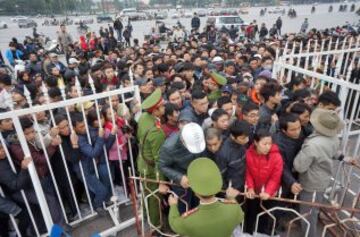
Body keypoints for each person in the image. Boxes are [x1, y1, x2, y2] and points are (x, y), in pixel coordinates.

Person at [294, 108, 344, 237]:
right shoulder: (333, 138)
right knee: (313, 210)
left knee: (309, 214)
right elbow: (334, 153)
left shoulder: (313, 144)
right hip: (322, 179)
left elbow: (299, 166)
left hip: (311, 182)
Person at [168, 158, 244, 237]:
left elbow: (174, 224)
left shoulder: (188, 220)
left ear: (195, 191)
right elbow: (240, 216)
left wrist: (173, 206)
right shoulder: (234, 209)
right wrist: (231, 198)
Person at [136, 88, 167, 230]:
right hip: (151, 169)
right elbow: (159, 159)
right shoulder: (157, 132)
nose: (165, 106)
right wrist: (161, 181)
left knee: (145, 193)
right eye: (162, 106)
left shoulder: (143, 117)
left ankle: (145, 214)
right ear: (155, 110)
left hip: (142, 163)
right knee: (154, 199)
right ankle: (156, 227)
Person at [159, 122, 206, 214]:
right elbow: (162, 165)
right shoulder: (169, 147)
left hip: (197, 177)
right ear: (183, 141)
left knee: (198, 206)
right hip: (180, 181)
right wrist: (179, 177)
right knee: (184, 208)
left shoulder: (198, 135)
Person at [244, 129, 283, 234]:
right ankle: (248, 233)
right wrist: (250, 187)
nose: (267, 147)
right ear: (256, 143)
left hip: (268, 193)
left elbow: (275, 177)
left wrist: (268, 192)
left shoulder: (276, 157)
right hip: (254, 192)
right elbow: (248, 172)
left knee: (264, 217)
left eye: (270, 143)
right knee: (250, 215)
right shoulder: (248, 154)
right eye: (264, 144)